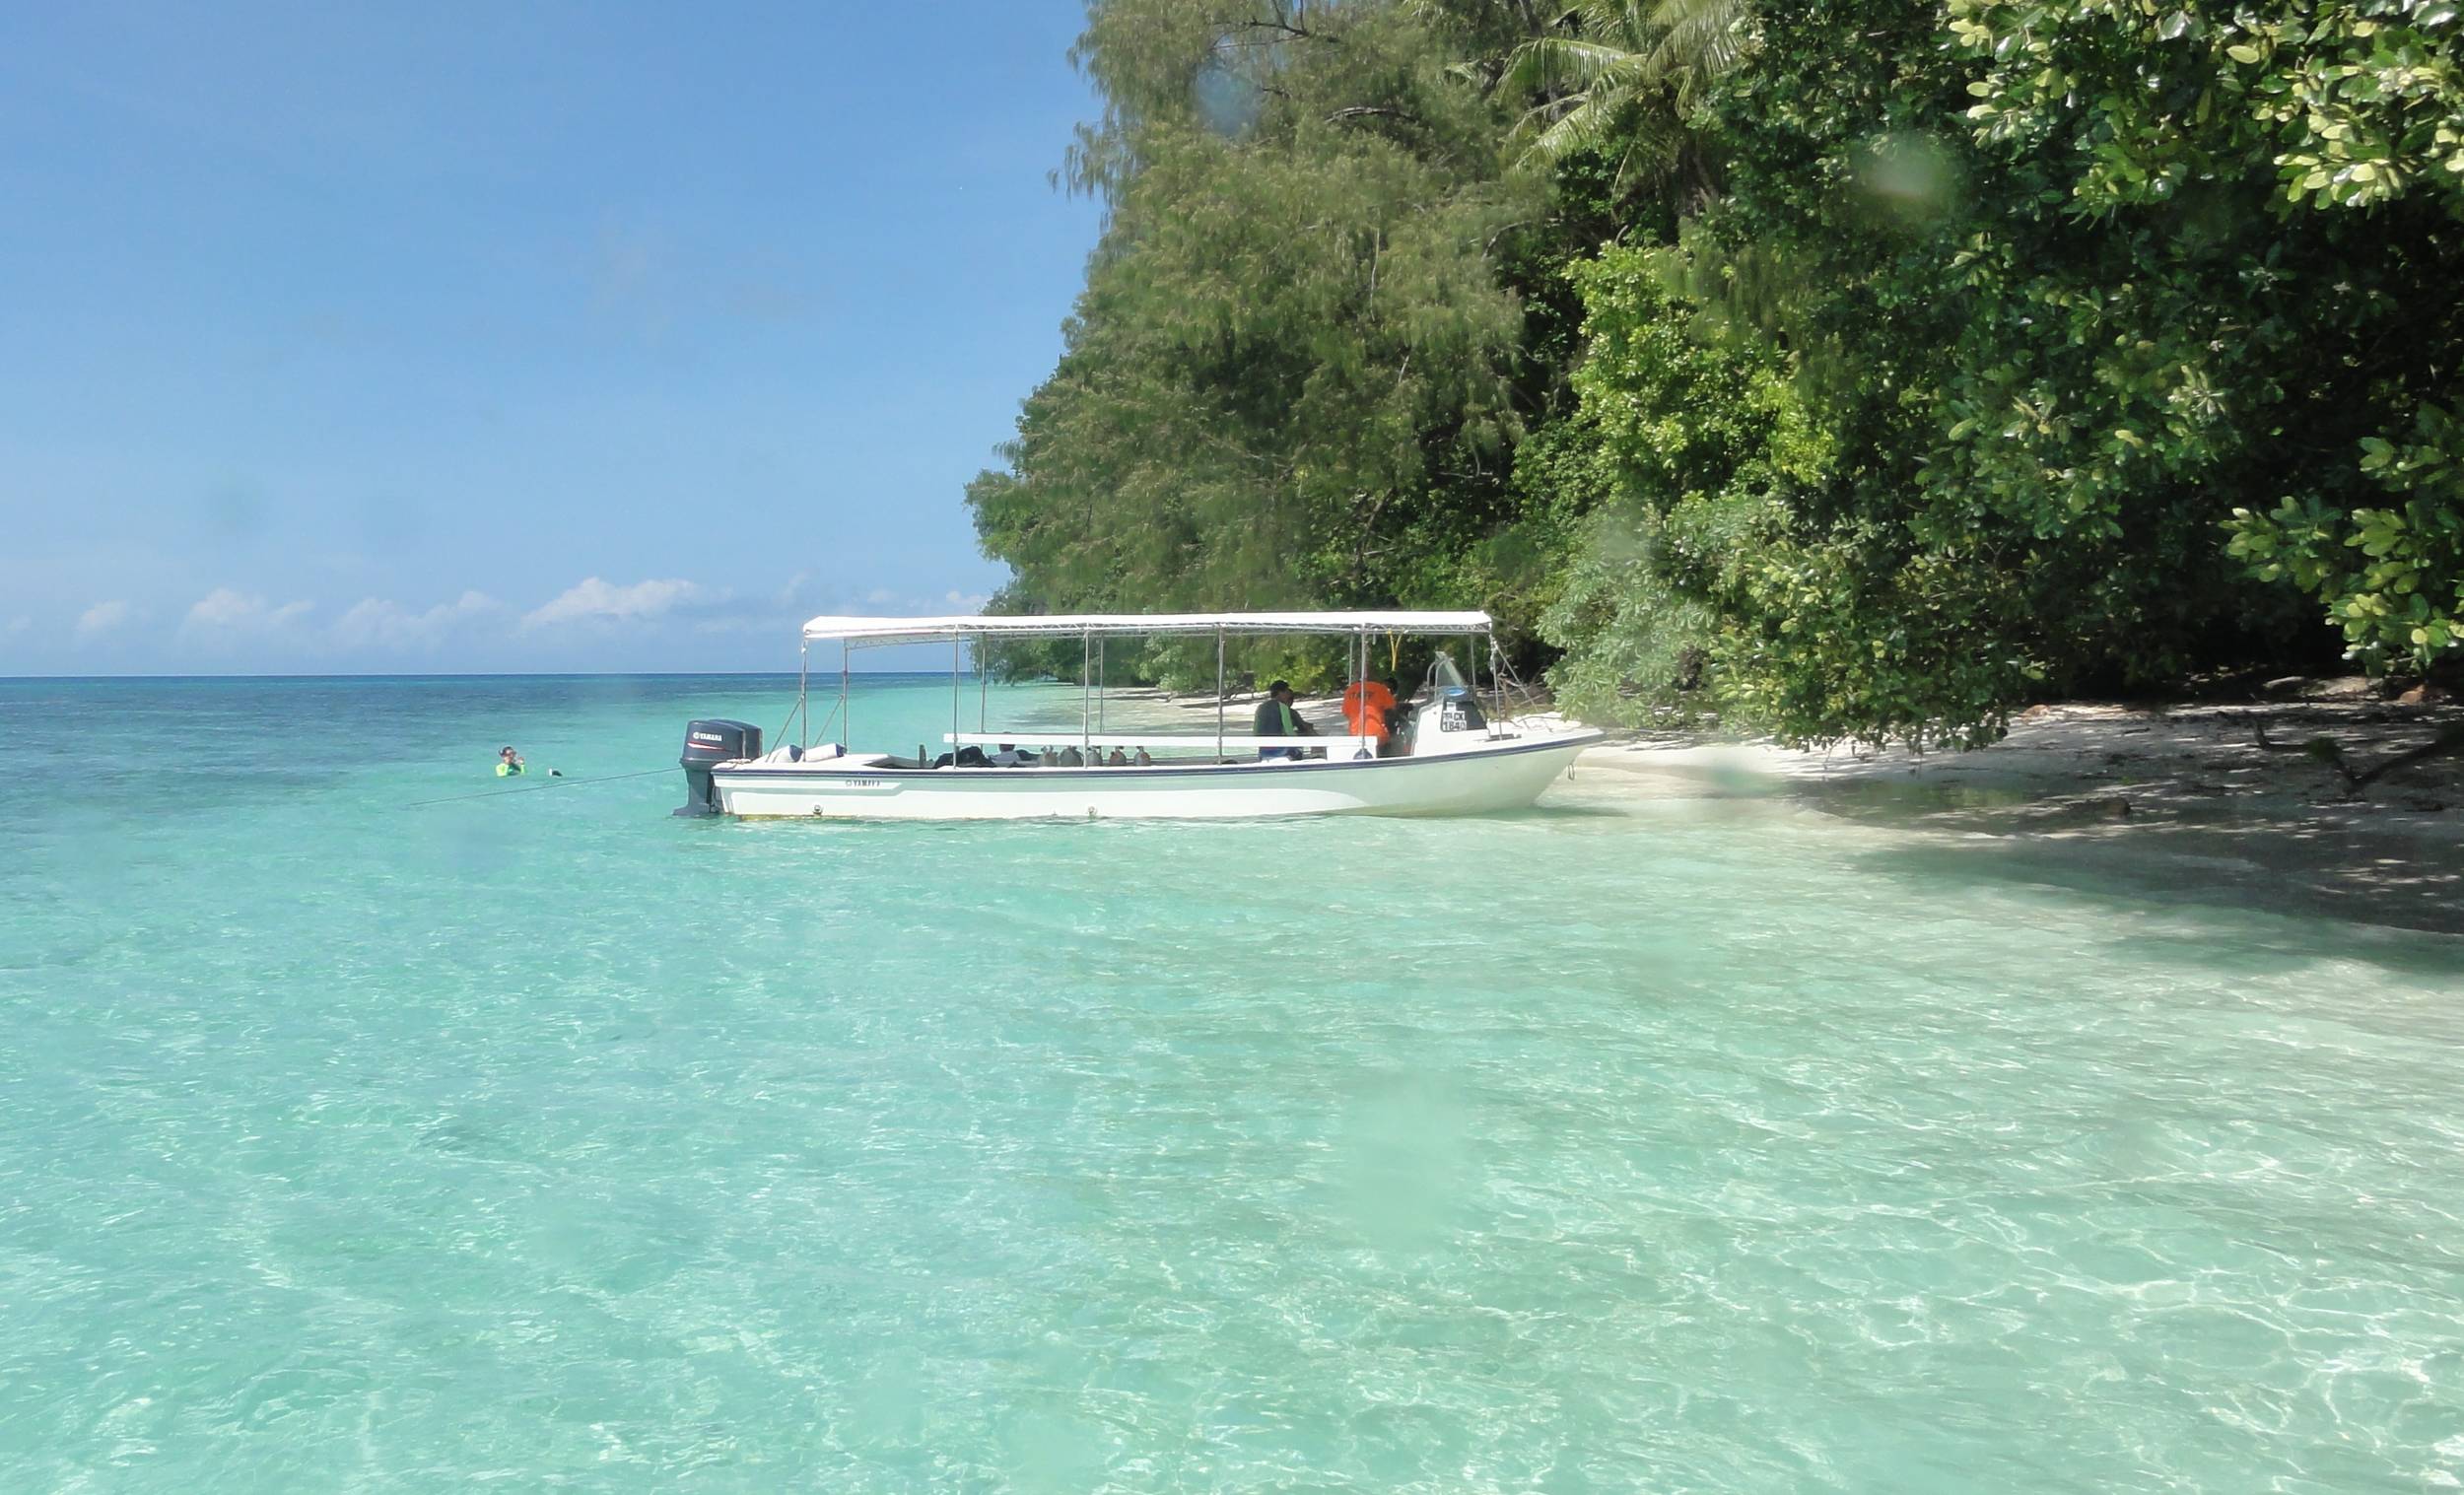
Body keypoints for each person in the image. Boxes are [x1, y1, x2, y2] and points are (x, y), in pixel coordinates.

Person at [1253, 681, 1316, 761]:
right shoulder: (1283, 707)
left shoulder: (1260, 707)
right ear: (1280, 692)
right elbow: (1289, 732)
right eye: (1287, 691)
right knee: (1298, 748)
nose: (1289, 695)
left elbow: (1256, 732)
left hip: (1263, 752)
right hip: (1280, 751)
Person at [496, 746, 560, 778]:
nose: (512, 756)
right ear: (504, 756)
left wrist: (522, 764)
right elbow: (503, 776)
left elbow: (524, 774)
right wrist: (507, 764)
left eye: (513, 753)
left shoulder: (514, 766)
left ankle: (551, 776)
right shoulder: (499, 767)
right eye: (510, 754)